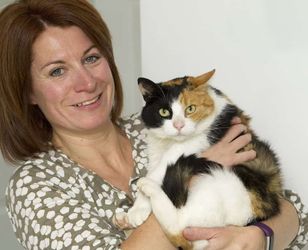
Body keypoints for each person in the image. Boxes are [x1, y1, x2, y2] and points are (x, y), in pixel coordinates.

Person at [0, 0, 307, 249]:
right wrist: (191, 173)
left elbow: (293, 212)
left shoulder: (161, 127)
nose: (86, 82)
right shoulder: (38, 185)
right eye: (57, 72)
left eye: (91, 58)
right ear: (27, 91)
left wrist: (260, 237)